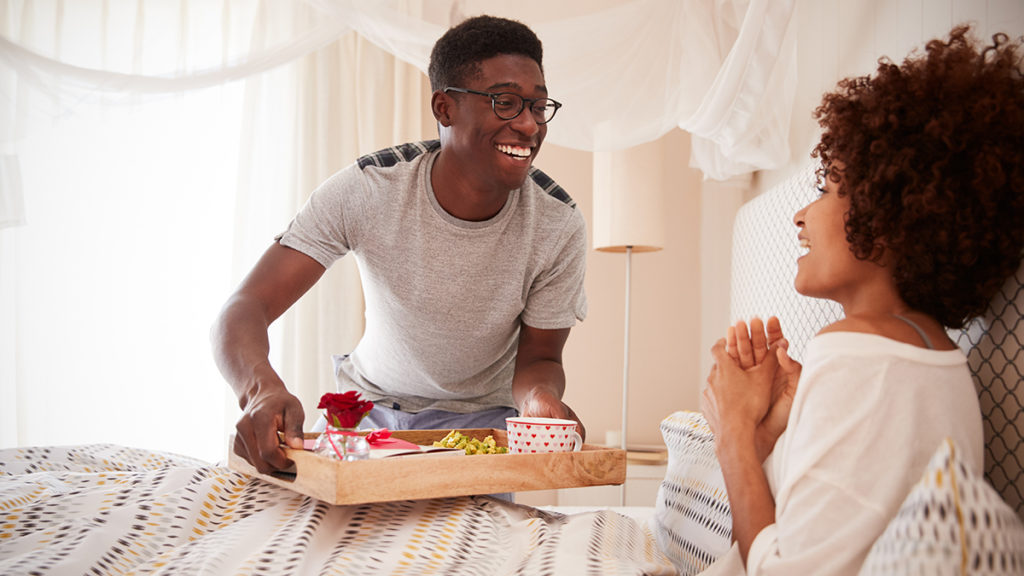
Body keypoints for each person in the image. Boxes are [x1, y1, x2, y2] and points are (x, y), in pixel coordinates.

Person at [700, 25, 1024, 575]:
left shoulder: (855, 353)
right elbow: (786, 537)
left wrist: (732, 429)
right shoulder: (936, 357)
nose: (802, 215)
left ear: (893, 211)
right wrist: (776, 431)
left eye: (827, 188)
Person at [212, 15, 588, 475]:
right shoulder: (369, 188)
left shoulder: (558, 223)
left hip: (483, 431)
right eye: (506, 103)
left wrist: (539, 399)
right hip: (369, 418)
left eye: (538, 106)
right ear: (445, 108)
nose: (530, 126)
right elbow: (244, 308)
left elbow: (542, 358)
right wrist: (260, 389)